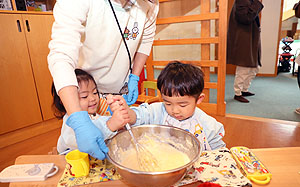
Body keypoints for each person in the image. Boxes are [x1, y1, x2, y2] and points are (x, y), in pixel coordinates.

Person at [47, 0, 159, 159]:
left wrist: (134, 76)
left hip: (114, 91)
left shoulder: (150, 3)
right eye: (86, 96)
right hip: (83, 86)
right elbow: (61, 55)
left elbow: (145, 40)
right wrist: (79, 120)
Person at [107, 61, 226, 151]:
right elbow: (139, 116)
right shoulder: (158, 111)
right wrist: (126, 112)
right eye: (168, 103)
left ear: (199, 99)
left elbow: (219, 153)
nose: (174, 110)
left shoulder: (208, 125)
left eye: (183, 105)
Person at [52, 69, 130, 155]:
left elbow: (100, 122)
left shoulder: (92, 114)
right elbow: (82, 141)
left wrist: (118, 123)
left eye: (95, 92)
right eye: (84, 96)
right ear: (66, 101)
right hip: (71, 159)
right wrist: (110, 125)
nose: (93, 98)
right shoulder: (70, 122)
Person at [227, 0, 264, 103]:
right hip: (244, 39)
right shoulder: (241, 0)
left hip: (252, 38)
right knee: (244, 68)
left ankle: (244, 89)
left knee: (254, 68)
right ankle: (237, 93)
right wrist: (257, 3)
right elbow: (245, 18)